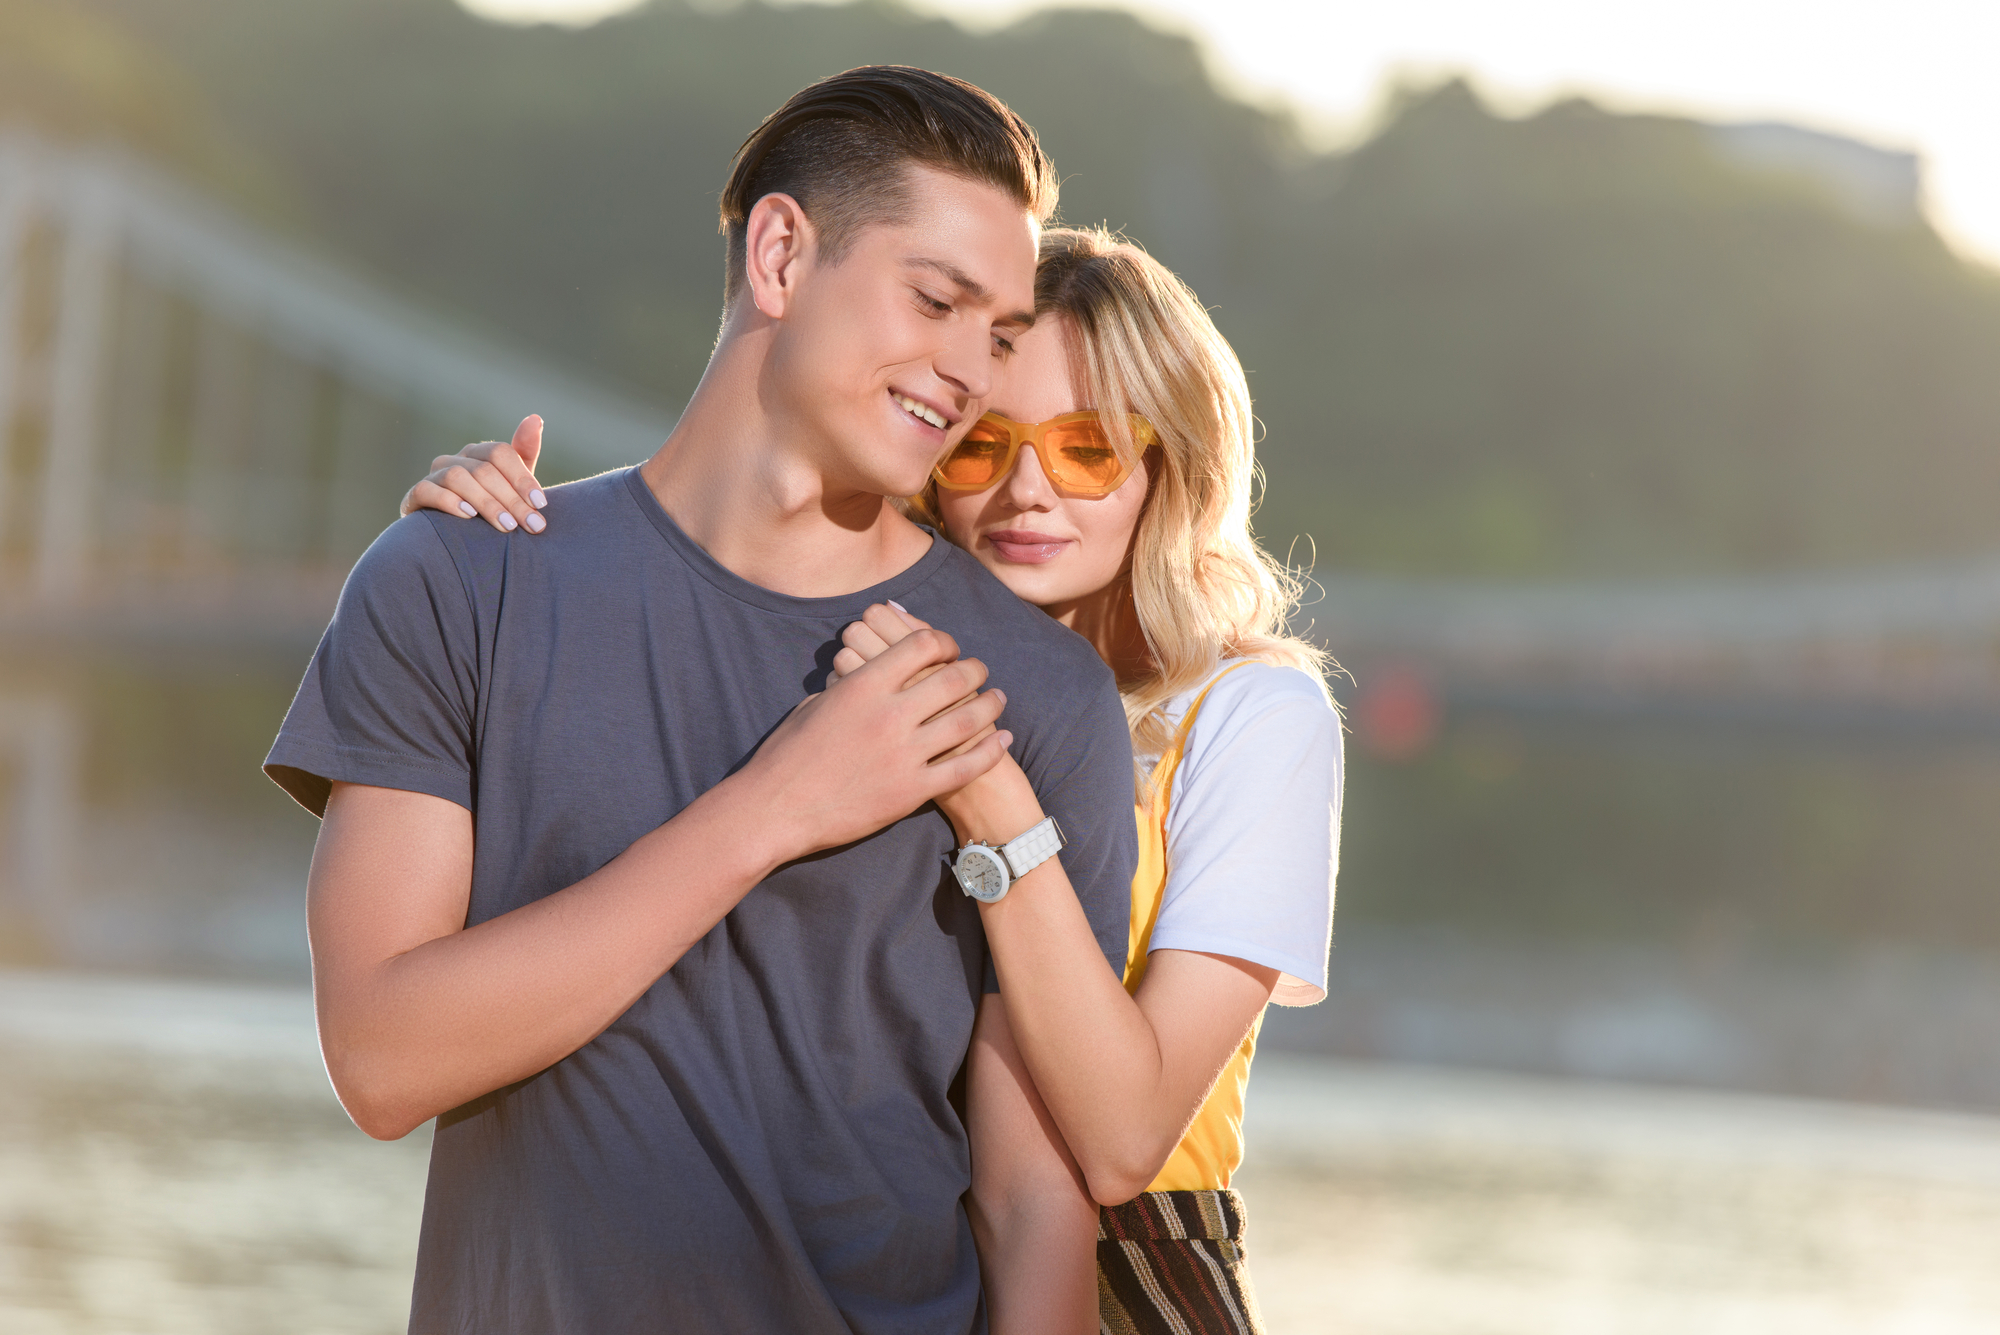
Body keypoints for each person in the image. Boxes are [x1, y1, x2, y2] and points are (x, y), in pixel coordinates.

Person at [266, 68, 1138, 1335]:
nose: (968, 374)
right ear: (782, 254)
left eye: (995, 334)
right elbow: (384, 1061)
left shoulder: (1037, 698)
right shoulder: (458, 580)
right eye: (936, 301)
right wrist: (776, 807)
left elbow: (1030, 1203)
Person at [409, 228, 1343, 1334]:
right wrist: (511, 544)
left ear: (1169, 466)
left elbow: (1121, 1138)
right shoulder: (849, 666)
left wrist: (994, 797)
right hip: (878, 1256)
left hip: (1128, 1274)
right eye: (979, 445)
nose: (1024, 491)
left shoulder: (1247, 716)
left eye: (1086, 449)